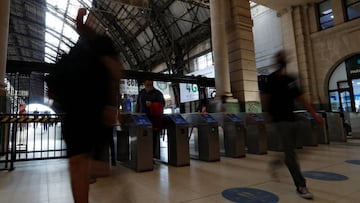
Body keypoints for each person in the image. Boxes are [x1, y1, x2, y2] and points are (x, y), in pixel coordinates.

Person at [46, 8, 122, 203]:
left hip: (95, 110)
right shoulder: (76, 50)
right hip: (74, 111)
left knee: (85, 163)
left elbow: (115, 72)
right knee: (76, 162)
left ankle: (98, 167)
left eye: (84, 20)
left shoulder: (104, 43)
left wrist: (112, 106)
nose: (80, 23)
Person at [262, 50, 323, 200]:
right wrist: (267, 117)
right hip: (280, 121)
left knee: (296, 149)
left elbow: (301, 98)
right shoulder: (270, 80)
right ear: (276, 61)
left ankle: (277, 163)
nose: (281, 59)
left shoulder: (290, 79)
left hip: (293, 119)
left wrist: (314, 114)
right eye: (279, 57)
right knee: (291, 152)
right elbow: (267, 99)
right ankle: (301, 185)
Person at [135, 79, 165, 159]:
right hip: (142, 120)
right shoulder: (142, 92)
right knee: (142, 138)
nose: (148, 86)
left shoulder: (158, 94)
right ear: (144, 84)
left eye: (150, 84)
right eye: (147, 84)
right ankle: (143, 155)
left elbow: (162, 105)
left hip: (153, 120)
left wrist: (152, 105)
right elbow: (138, 104)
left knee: (153, 138)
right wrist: (135, 114)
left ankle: (151, 156)